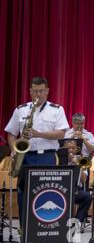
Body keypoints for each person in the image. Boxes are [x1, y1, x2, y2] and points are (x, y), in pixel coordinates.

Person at [4, 77, 69, 226]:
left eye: (40, 91)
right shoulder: (20, 110)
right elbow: (11, 133)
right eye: (34, 91)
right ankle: (24, 229)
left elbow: (61, 134)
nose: (37, 95)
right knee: (23, 193)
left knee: (47, 193)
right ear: (30, 91)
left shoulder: (57, 110)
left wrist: (39, 134)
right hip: (26, 156)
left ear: (47, 91)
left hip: (47, 156)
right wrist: (14, 148)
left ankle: (44, 229)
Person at [63, 139, 93, 223]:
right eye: (68, 148)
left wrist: (77, 165)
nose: (71, 150)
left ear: (77, 149)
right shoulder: (58, 160)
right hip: (61, 189)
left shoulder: (81, 161)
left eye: (73, 148)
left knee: (87, 197)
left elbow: (83, 180)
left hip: (75, 190)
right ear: (63, 149)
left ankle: (77, 221)